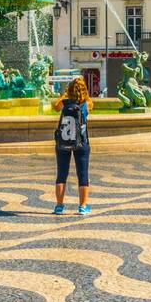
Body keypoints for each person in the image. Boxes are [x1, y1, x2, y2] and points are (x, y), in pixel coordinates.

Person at [52, 76, 92, 215]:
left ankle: (59, 206)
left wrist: (65, 95)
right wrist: (83, 94)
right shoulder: (86, 104)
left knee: (61, 174)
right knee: (83, 175)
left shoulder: (63, 103)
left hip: (63, 142)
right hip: (81, 142)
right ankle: (82, 206)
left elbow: (55, 106)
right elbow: (90, 103)